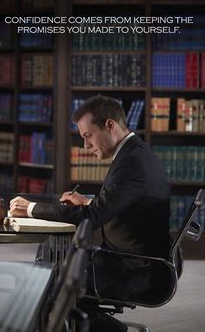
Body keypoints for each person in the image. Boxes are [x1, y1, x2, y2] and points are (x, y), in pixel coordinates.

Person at [9, 95, 171, 301]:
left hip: (135, 271)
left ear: (110, 125)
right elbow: (123, 205)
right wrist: (86, 202)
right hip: (131, 261)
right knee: (51, 258)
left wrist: (31, 208)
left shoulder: (132, 163)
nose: (85, 145)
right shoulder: (134, 153)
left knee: (46, 277)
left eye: (88, 135)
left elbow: (92, 217)